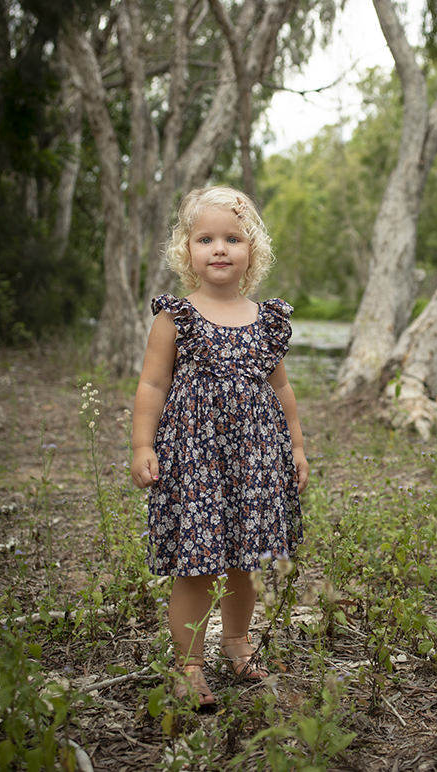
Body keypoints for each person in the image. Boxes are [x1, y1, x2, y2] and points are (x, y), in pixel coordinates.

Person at [130, 186, 308, 708]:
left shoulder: (265, 320)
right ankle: (189, 664)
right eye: (205, 238)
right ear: (185, 250)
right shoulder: (176, 317)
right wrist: (143, 443)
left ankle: (236, 641)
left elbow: (281, 390)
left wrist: (295, 448)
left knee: (242, 560)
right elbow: (152, 386)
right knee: (196, 562)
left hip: (254, 458)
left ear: (253, 250)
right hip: (193, 460)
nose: (220, 248)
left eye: (233, 238)